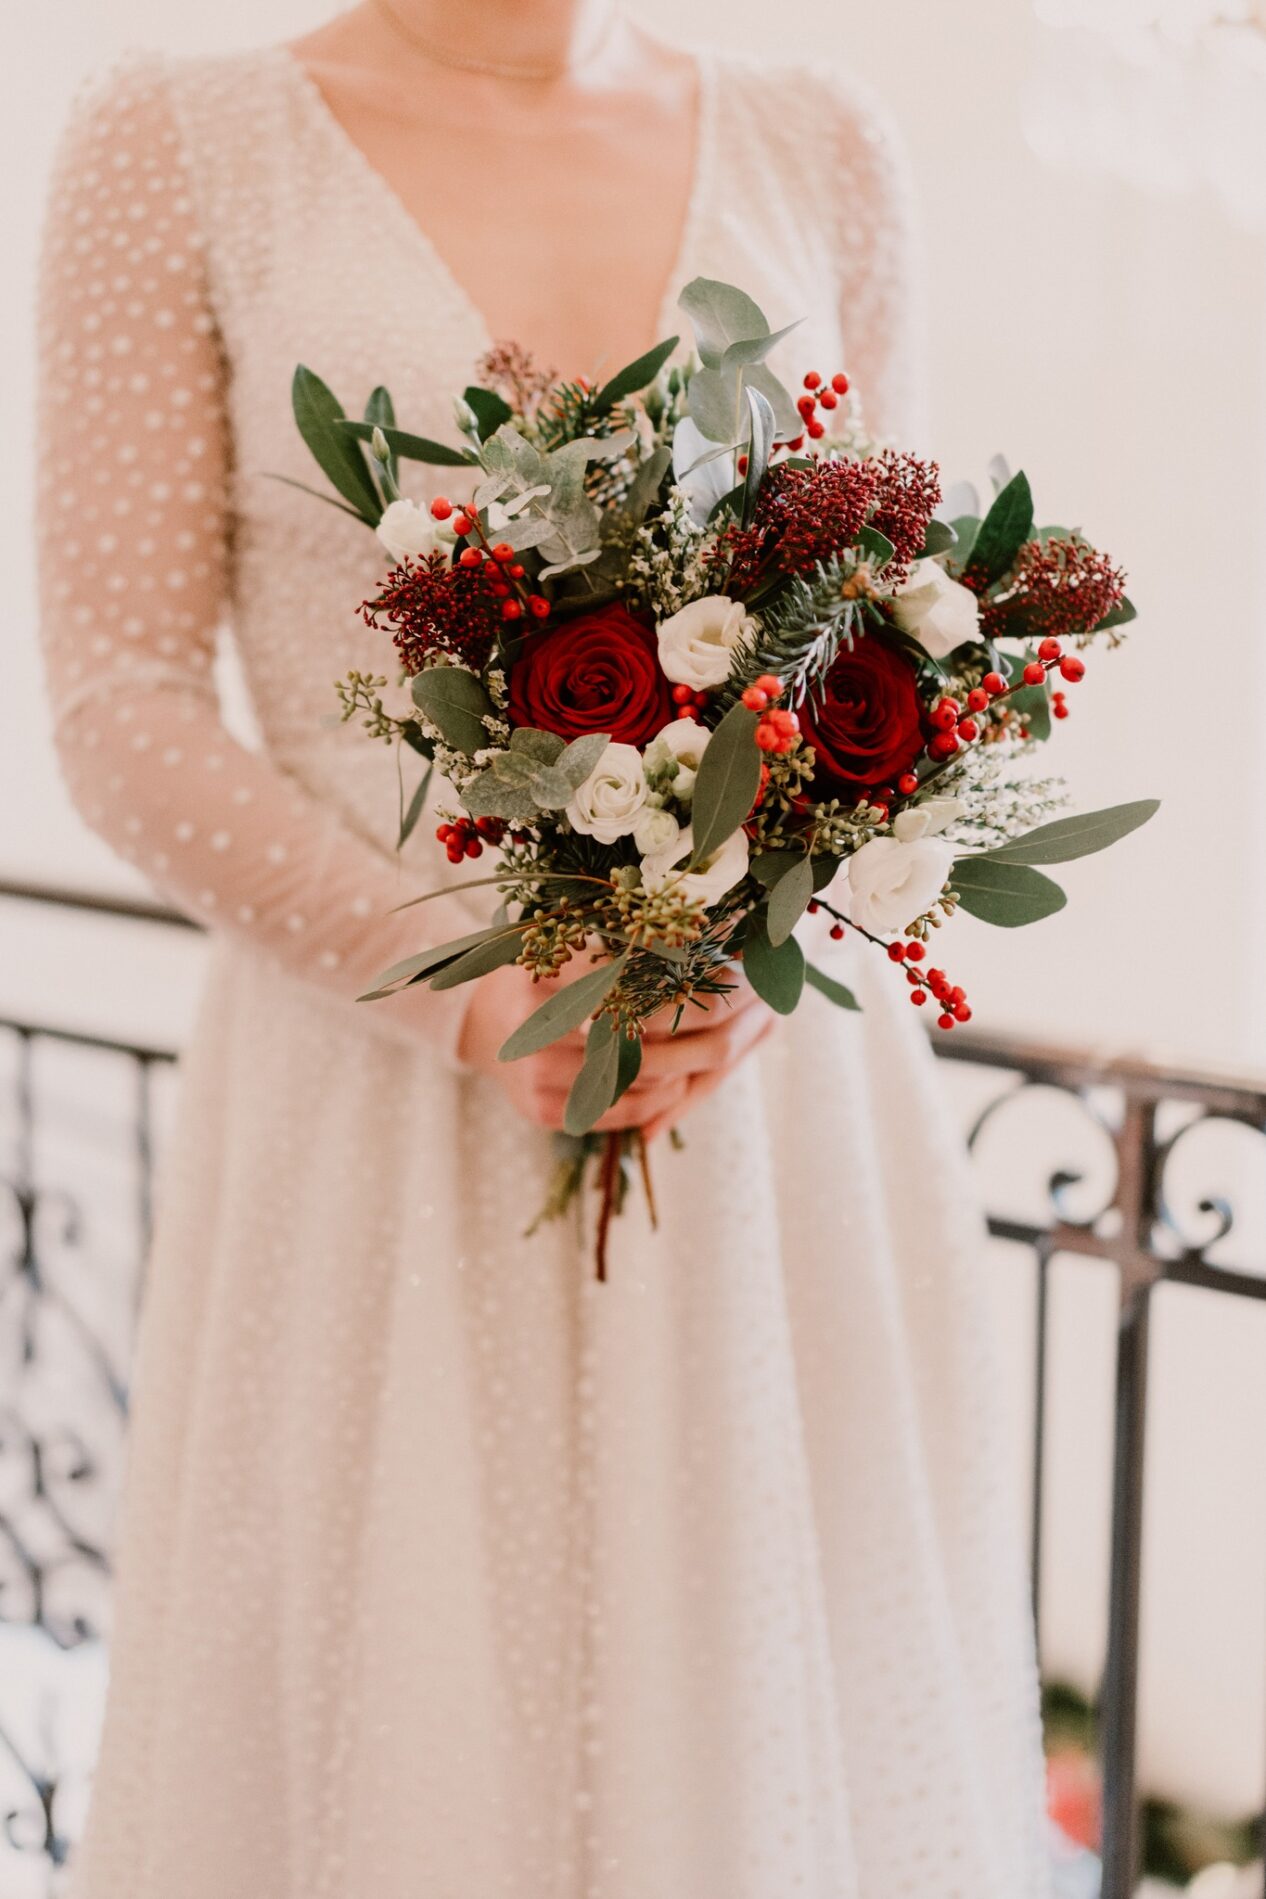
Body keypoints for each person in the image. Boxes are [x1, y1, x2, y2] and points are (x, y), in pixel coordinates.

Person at [37, 3, 1051, 1892]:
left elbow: (900, 639)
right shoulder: (180, 142)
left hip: (765, 1111)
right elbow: (120, 708)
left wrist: (758, 944)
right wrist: (475, 992)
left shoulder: (816, 139)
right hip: (381, 1114)